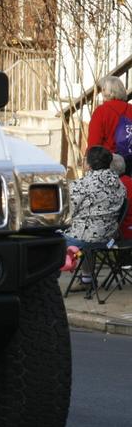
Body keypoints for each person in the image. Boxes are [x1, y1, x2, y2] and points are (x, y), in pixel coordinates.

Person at [63, 145, 126, 283]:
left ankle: (71, 255)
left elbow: (68, 212)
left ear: (89, 164)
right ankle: (86, 278)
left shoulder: (81, 185)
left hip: (84, 238)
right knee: (87, 237)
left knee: (53, 239)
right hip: (109, 238)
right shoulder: (120, 185)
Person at [86, 76, 132, 154]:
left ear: (107, 92)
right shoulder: (130, 109)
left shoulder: (101, 111)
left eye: (103, 90)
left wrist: (88, 159)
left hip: (108, 160)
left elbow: (94, 143)